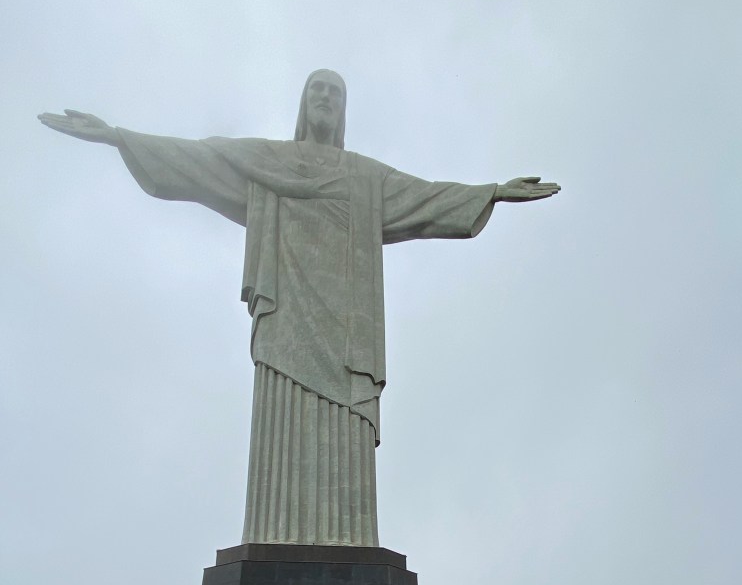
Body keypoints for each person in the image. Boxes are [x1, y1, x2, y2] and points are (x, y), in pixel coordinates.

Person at [39, 73, 560, 547]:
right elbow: (198, 158)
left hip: (348, 331)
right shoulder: (266, 161)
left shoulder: (365, 177)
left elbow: (425, 197)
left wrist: (493, 193)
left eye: (335, 93)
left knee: (346, 430)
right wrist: (116, 136)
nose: (325, 98)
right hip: (286, 316)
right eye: (317, 89)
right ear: (304, 103)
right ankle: (273, 532)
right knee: (281, 424)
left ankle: (349, 540)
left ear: (343, 110)